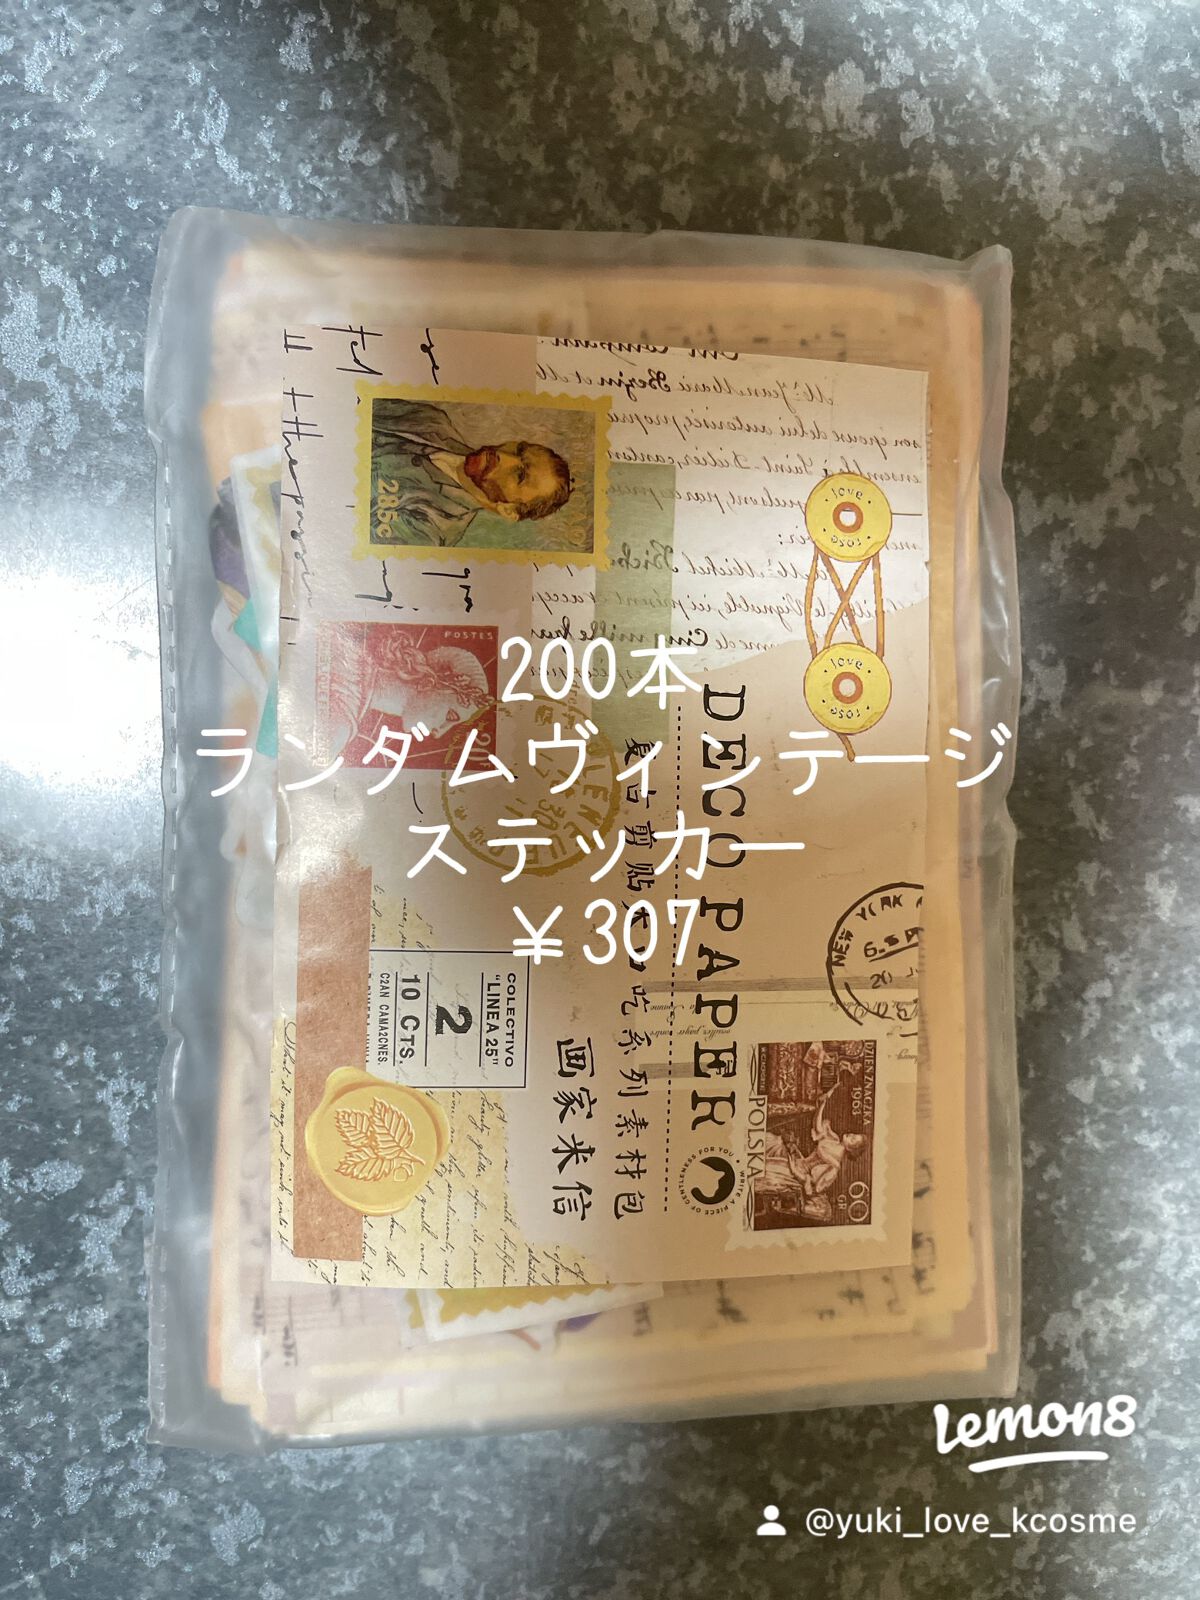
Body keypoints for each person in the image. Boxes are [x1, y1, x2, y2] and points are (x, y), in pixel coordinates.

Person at [370, 398, 573, 546]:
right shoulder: (432, 421)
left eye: (520, 475)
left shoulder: (429, 529)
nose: (504, 455)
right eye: (518, 450)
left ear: (509, 510)